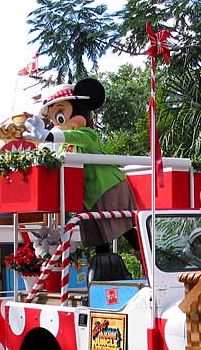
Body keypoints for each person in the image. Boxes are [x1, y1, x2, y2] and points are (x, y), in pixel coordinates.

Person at [23, 78, 139, 253]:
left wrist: (48, 136)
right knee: (99, 236)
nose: (59, 122)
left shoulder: (87, 135)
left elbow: (71, 137)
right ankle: (105, 273)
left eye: (61, 115)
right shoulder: (63, 145)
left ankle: (150, 262)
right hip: (87, 195)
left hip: (107, 188)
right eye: (55, 119)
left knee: (124, 228)